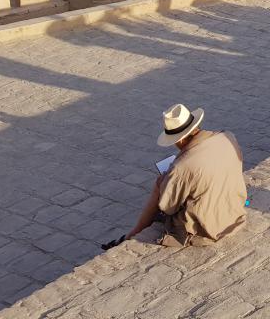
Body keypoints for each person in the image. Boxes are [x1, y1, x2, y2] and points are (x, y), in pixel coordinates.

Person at [103, 104, 246, 249]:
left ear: (180, 139)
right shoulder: (227, 136)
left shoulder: (181, 167)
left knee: (160, 184)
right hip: (233, 210)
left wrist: (165, 182)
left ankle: (132, 234)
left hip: (210, 226)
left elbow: (168, 208)